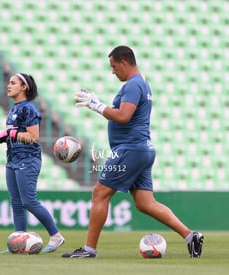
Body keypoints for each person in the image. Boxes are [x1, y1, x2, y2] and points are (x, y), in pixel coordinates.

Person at [62, 45, 204, 258]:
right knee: (145, 203)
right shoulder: (143, 84)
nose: (112, 71)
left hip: (130, 149)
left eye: (113, 66)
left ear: (124, 63)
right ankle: (190, 236)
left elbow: (123, 116)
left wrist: (96, 105)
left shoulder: (133, 85)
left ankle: (89, 249)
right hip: (142, 149)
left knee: (99, 193)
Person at [0, 73, 65, 253]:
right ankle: (19, 241)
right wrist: (2, 138)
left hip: (27, 159)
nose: (8, 85)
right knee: (16, 203)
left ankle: (56, 236)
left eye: (13, 83)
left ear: (24, 87)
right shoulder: (15, 108)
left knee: (29, 201)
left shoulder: (28, 108)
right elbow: (15, 134)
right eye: (9, 82)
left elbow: (33, 137)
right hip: (13, 160)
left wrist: (9, 134)